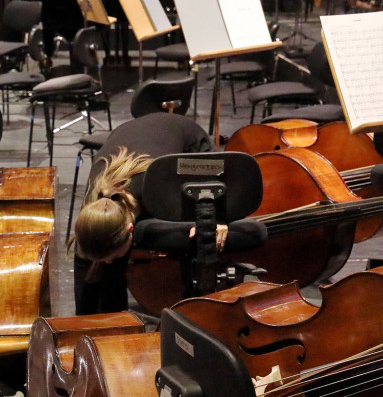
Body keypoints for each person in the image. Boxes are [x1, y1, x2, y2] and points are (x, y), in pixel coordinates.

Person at [71, 114, 266, 315]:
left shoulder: (157, 188)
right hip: (136, 133)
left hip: (188, 139)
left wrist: (219, 216)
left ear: (131, 228)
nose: (109, 261)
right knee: (103, 260)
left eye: (112, 257)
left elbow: (219, 181)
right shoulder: (94, 201)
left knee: (116, 262)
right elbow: (83, 262)